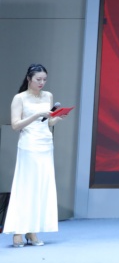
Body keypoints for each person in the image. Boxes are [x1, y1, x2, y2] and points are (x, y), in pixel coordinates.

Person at [5, 64, 66, 248]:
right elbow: (15, 125)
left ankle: (32, 230)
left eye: (44, 79)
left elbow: (47, 122)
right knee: (26, 187)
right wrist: (37, 114)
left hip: (45, 144)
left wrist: (56, 118)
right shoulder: (20, 98)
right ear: (29, 79)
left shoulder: (48, 96)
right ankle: (18, 231)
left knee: (40, 187)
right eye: (38, 79)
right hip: (28, 145)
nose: (42, 83)